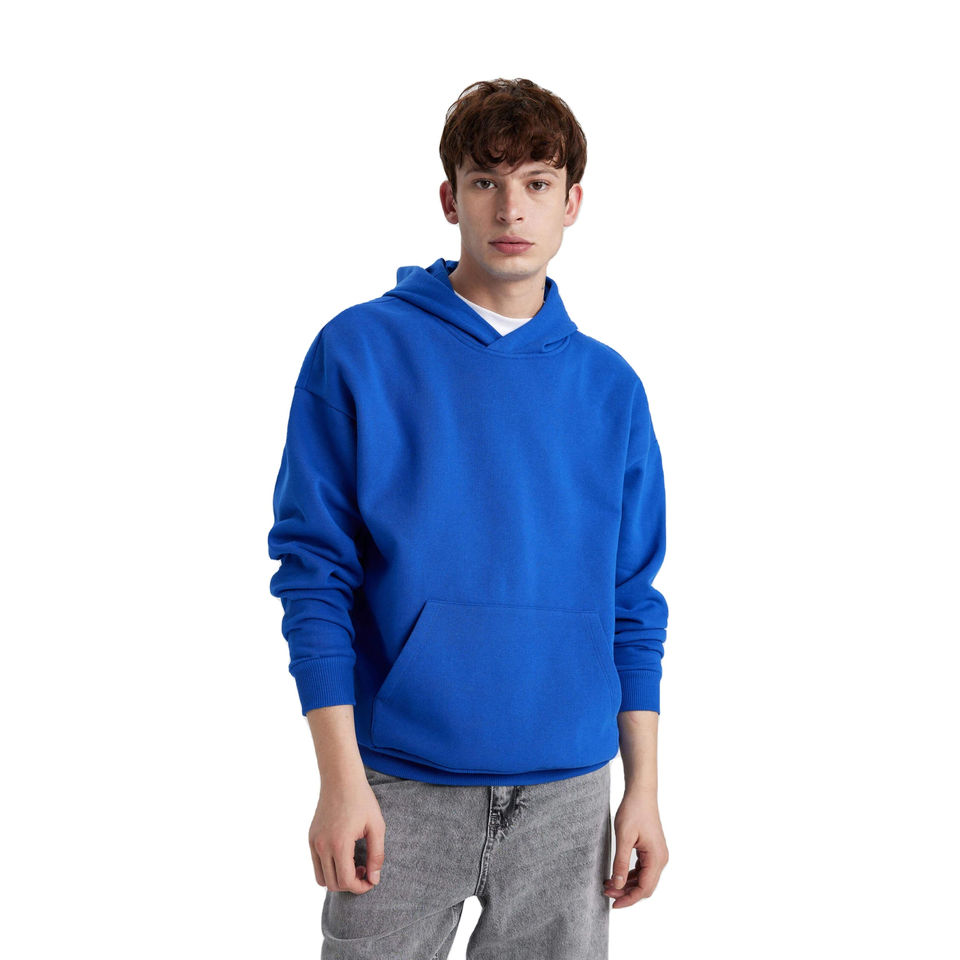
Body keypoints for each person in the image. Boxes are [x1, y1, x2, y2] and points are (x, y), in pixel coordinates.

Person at [267, 77, 670, 959]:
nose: (510, 209)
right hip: (398, 784)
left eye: (536, 182)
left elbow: (633, 600)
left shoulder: (611, 388)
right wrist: (339, 778)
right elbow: (314, 572)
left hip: (570, 794)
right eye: (486, 182)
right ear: (450, 199)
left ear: (572, 203)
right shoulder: (360, 350)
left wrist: (641, 788)